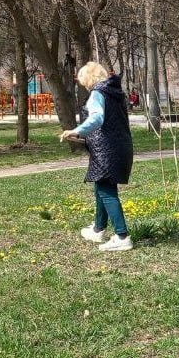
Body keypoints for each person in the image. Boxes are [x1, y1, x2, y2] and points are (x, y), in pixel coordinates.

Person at [60, 62, 135, 252]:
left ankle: (122, 236)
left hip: (106, 150)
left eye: (83, 80)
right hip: (120, 146)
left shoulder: (97, 94)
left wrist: (77, 131)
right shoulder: (115, 93)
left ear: (88, 79)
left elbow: (97, 118)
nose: (83, 85)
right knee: (102, 186)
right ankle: (98, 229)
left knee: (107, 191)